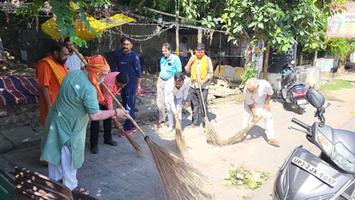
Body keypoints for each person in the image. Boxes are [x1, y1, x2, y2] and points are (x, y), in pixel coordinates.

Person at [41, 55, 128, 194]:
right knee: (68, 158)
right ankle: (70, 189)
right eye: (103, 75)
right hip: (69, 126)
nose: (104, 79)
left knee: (55, 153)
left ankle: (55, 184)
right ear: (97, 73)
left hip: (55, 119)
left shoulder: (73, 74)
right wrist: (116, 112)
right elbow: (95, 115)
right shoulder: (89, 89)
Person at [89, 72, 129, 154]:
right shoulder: (108, 83)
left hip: (107, 99)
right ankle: (94, 145)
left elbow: (111, 99)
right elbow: (109, 102)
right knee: (96, 121)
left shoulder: (120, 76)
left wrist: (113, 115)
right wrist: (116, 120)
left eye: (123, 85)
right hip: (97, 99)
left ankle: (107, 139)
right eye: (120, 85)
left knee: (108, 119)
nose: (122, 87)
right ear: (116, 81)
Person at [112, 38, 142, 135]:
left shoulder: (134, 57)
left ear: (131, 45)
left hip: (131, 85)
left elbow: (139, 74)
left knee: (129, 106)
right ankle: (128, 124)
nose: (125, 46)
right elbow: (113, 69)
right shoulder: (118, 55)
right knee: (125, 105)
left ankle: (130, 127)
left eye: (127, 44)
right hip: (121, 84)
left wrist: (138, 87)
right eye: (124, 44)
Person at [36, 42, 69, 128]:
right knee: (52, 132)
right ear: (55, 53)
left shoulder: (61, 64)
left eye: (67, 55)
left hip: (63, 103)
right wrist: (49, 106)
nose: (66, 58)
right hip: (52, 104)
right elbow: (44, 86)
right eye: (64, 55)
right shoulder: (45, 64)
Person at [242, 78, 280, 147]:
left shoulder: (266, 85)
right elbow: (250, 104)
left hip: (262, 100)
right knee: (246, 115)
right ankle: (243, 134)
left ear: (257, 87)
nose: (250, 92)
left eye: (252, 91)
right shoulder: (246, 90)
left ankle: (270, 138)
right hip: (250, 102)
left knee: (268, 116)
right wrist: (254, 115)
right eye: (249, 90)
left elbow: (270, 93)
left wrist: (266, 103)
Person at [185, 43, 213, 127]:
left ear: (204, 51)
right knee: (194, 104)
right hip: (193, 85)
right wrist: (190, 62)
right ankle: (195, 122)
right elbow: (187, 70)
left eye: (201, 52)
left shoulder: (207, 60)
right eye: (197, 52)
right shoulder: (193, 58)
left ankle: (205, 123)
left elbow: (210, 74)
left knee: (203, 105)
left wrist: (203, 81)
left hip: (203, 87)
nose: (199, 53)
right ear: (195, 51)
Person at [157, 43, 182, 126]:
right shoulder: (162, 59)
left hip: (170, 81)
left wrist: (176, 83)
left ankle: (172, 119)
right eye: (162, 51)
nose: (164, 53)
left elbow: (179, 72)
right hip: (161, 80)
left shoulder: (175, 59)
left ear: (170, 50)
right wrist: (158, 80)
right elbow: (162, 70)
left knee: (169, 101)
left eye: (165, 51)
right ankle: (162, 119)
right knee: (160, 100)